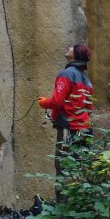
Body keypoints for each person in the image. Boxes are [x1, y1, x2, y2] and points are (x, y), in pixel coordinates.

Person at [38, 44, 93, 176]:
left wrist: (44, 102)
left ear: (76, 55)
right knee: (80, 165)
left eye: (72, 47)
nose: (69, 47)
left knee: (64, 165)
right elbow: (89, 108)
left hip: (69, 129)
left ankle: (63, 197)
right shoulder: (87, 81)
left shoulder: (67, 74)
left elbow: (57, 101)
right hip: (84, 130)